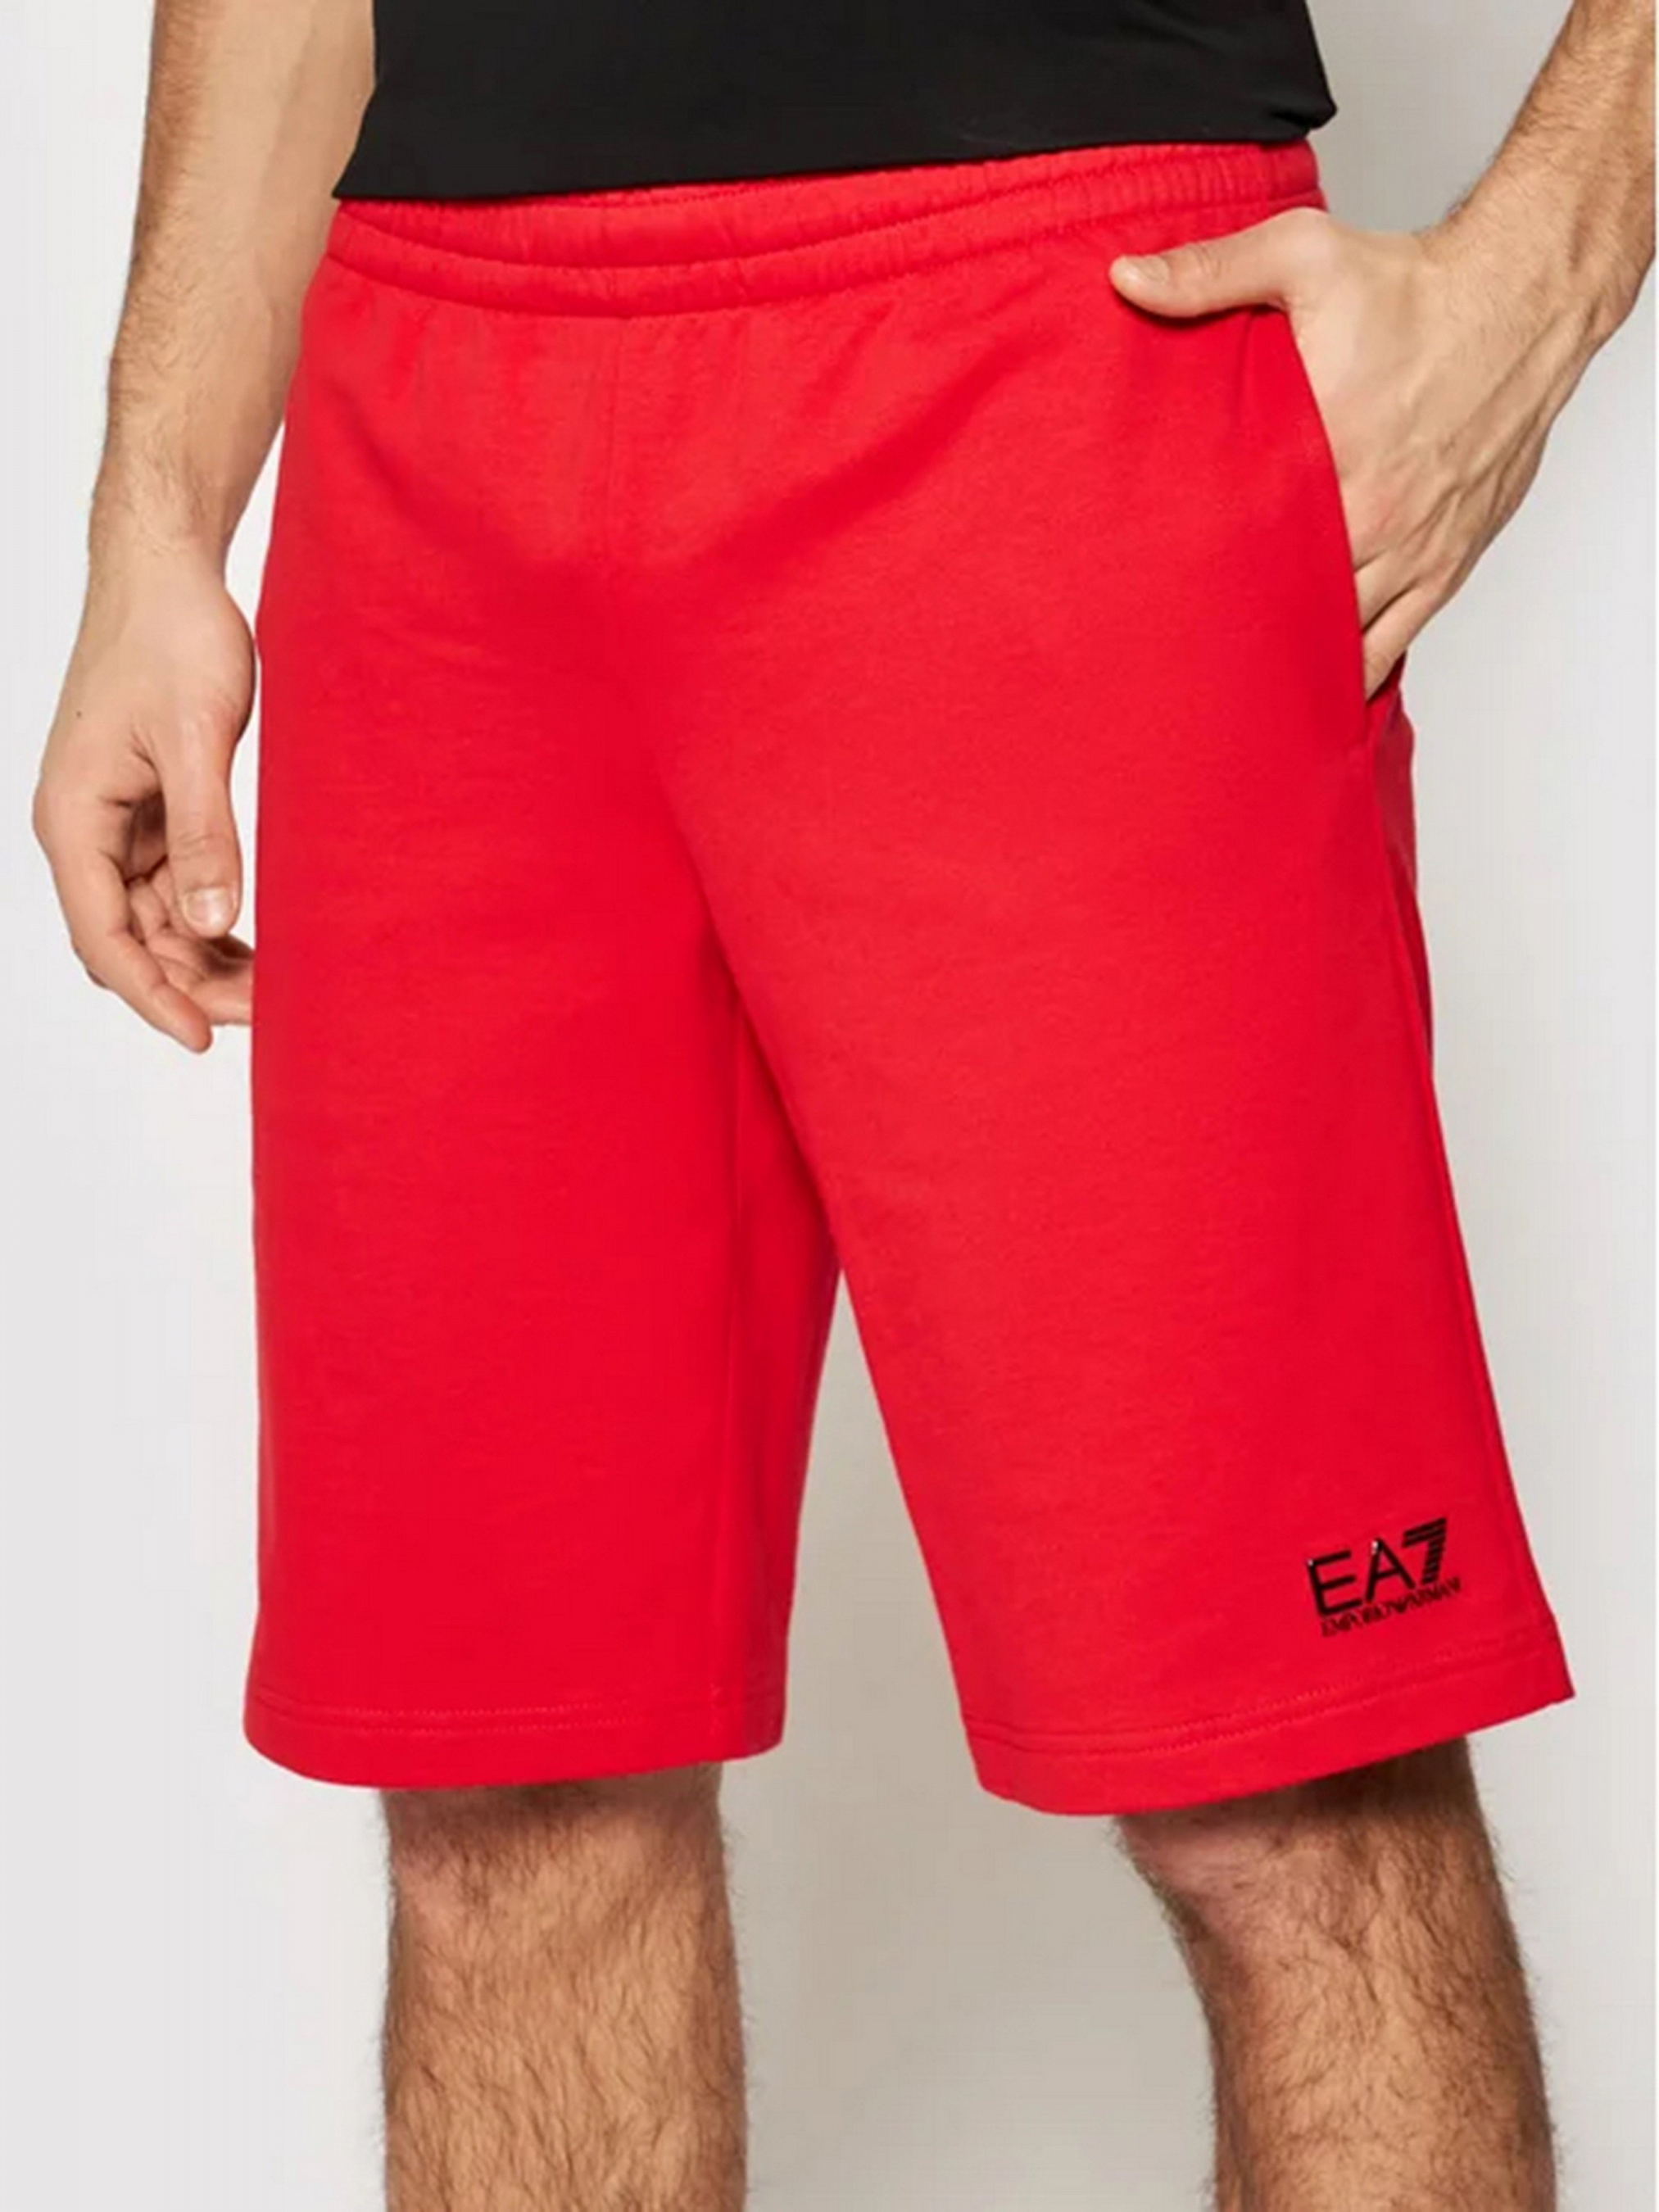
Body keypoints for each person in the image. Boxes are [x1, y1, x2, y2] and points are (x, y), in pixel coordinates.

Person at [30, 0, 1652, 2203]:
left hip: (1053, 339)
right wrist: (159, 512)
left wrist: (1555, 250)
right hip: (432, 419)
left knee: (1286, 1786)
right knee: (508, 1799)